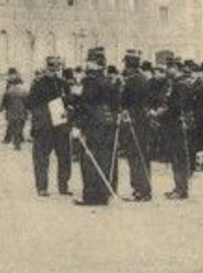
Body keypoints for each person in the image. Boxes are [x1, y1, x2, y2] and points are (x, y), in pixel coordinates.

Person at [72, 47, 120, 206]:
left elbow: (86, 106)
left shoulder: (90, 82)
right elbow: (115, 105)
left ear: (96, 64)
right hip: (109, 124)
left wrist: (78, 125)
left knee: (89, 160)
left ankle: (92, 197)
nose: (87, 65)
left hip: (93, 124)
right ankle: (105, 193)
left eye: (89, 62)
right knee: (105, 158)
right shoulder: (109, 81)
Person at [27, 55, 72, 196]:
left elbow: (69, 102)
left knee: (64, 156)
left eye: (57, 68)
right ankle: (42, 187)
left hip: (60, 125)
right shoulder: (38, 84)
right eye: (52, 68)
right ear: (46, 68)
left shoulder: (63, 84)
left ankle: (63, 186)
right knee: (41, 157)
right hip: (44, 125)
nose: (54, 70)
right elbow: (30, 103)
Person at [118, 49, 154, 201]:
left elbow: (123, 101)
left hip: (134, 122)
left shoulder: (132, 80)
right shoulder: (144, 78)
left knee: (135, 156)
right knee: (143, 156)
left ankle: (141, 189)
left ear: (129, 65)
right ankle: (143, 189)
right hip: (143, 122)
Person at [162, 57, 198, 199]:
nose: (166, 70)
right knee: (177, 156)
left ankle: (181, 189)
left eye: (169, 67)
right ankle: (179, 187)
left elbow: (178, 106)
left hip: (180, 124)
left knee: (180, 157)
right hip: (177, 124)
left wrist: (163, 111)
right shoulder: (177, 83)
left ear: (175, 68)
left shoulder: (181, 84)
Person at [0, 69, 29, 149]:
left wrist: (3, 108)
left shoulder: (9, 91)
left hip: (11, 112)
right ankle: (17, 143)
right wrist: (27, 109)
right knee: (19, 127)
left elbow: (5, 101)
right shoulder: (24, 91)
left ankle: (14, 142)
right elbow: (27, 102)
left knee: (13, 126)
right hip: (21, 112)